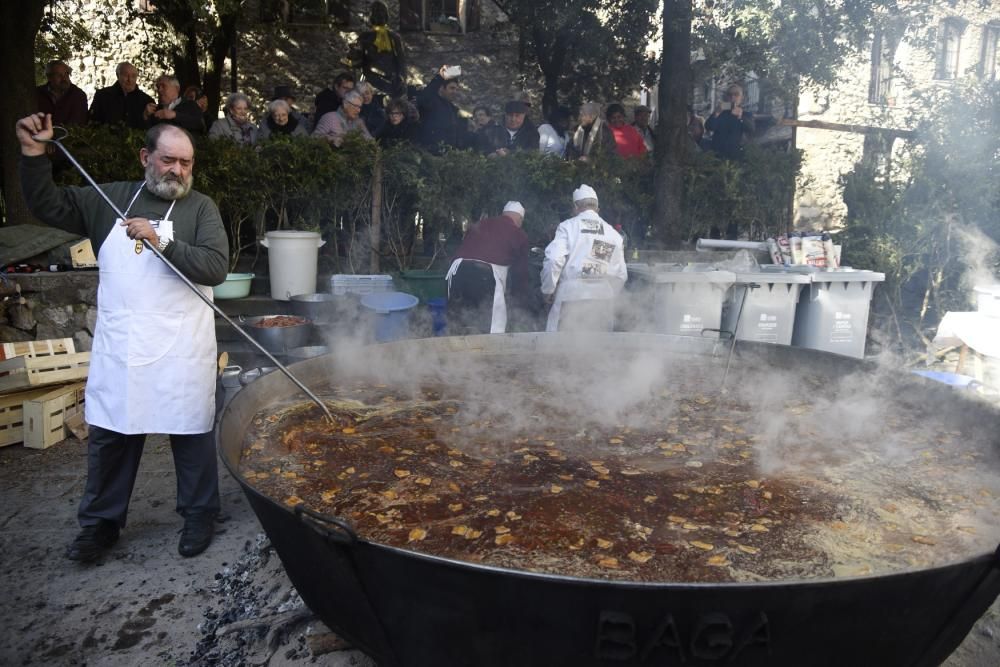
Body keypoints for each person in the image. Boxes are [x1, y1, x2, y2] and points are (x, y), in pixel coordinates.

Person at [15, 112, 229, 563]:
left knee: (190, 431)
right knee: (112, 435)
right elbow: (47, 206)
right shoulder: (107, 199)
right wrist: (35, 155)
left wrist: (163, 242)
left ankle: (199, 515)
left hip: (181, 347)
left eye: (186, 163)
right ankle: (100, 526)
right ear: (145, 157)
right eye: (169, 160)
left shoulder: (201, 209)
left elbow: (215, 267)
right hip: (125, 345)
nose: (178, 170)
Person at [541, 185, 627, 332]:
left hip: (571, 295)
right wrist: (608, 292)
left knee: (561, 348)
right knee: (597, 348)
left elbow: (554, 259)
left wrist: (548, 289)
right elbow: (620, 275)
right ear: (597, 208)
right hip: (602, 299)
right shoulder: (611, 233)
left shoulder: (567, 227)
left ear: (575, 207)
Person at [446, 201, 530, 334]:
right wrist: (520, 300)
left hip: (457, 272)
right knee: (490, 327)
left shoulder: (481, 224)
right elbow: (520, 273)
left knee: (457, 321)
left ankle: (455, 351)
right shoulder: (518, 234)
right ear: (520, 219)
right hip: (484, 276)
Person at [353, 1, 406, 97]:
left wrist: (401, 80)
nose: (379, 16)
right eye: (377, 13)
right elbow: (401, 63)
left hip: (385, 85)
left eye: (380, 13)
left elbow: (401, 62)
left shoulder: (392, 37)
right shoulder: (365, 37)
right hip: (376, 85)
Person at [415, 65, 467, 153]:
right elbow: (425, 97)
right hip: (429, 152)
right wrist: (439, 77)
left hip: (447, 155)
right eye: (451, 88)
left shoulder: (453, 109)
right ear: (442, 88)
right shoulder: (432, 102)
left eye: (456, 89)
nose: (454, 92)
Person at [89, 62, 155, 129]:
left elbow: (152, 129)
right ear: (118, 75)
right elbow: (92, 123)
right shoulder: (102, 96)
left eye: (133, 76)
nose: (130, 80)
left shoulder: (146, 101)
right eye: (126, 75)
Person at [705, 83, 755, 159]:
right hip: (717, 156)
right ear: (726, 97)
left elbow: (751, 129)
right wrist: (716, 113)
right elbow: (708, 127)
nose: (732, 97)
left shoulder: (746, 114)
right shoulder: (721, 112)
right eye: (729, 94)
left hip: (735, 156)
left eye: (736, 94)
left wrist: (740, 117)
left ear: (742, 98)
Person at [36, 60, 88, 126]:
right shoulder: (38, 94)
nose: (64, 78)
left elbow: (79, 123)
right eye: (58, 75)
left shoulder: (79, 96)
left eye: (66, 74)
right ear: (49, 77)